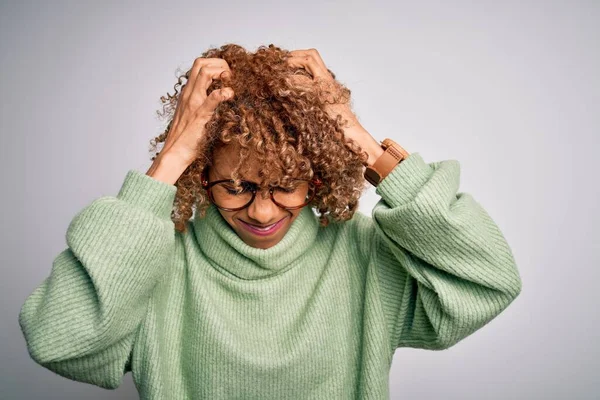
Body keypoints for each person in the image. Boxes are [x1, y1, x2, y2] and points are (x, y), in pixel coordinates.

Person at [18, 44, 523, 399]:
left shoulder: (364, 255)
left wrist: (358, 138)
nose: (262, 212)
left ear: (319, 176)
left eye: (286, 185)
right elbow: (60, 342)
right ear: (201, 174)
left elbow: (489, 283)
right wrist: (169, 159)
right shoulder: (151, 262)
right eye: (235, 187)